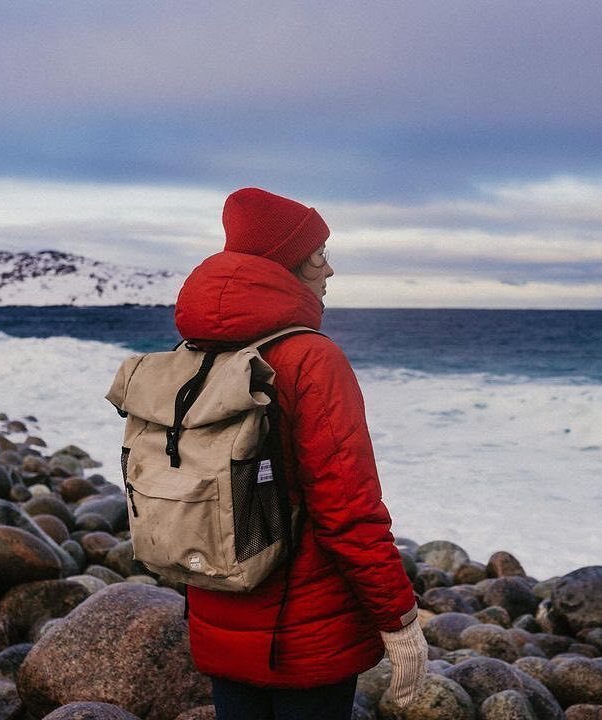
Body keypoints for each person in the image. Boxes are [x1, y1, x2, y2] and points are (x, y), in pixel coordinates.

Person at [174, 187, 427, 720]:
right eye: (319, 255)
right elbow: (348, 512)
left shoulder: (194, 354)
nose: (329, 270)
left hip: (218, 611)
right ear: (289, 264)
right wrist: (399, 619)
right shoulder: (311, 358)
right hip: (306, 634)